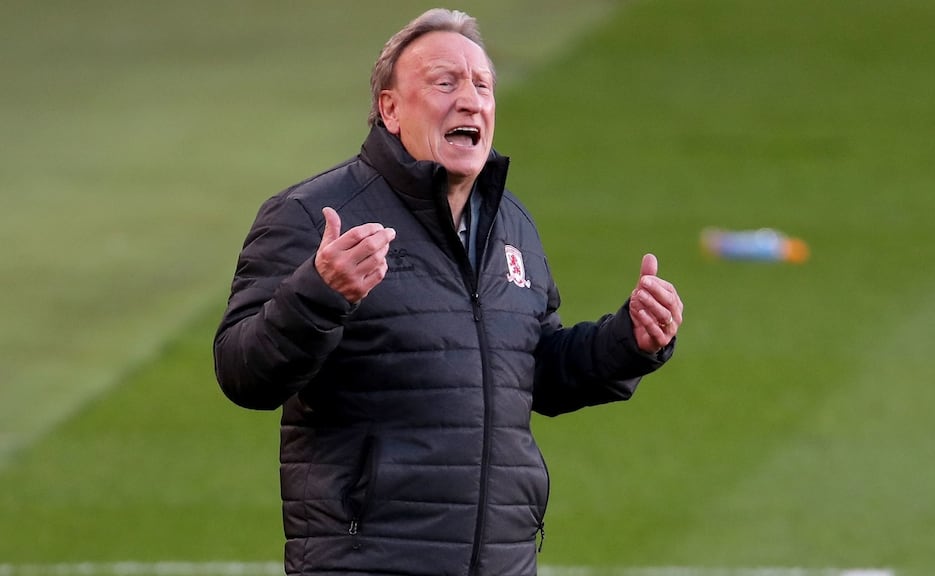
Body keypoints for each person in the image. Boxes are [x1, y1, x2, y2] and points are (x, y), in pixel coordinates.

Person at [213, 8, 683, 576]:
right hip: (369, 561)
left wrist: (628, 341)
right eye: (445, 83)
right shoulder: (313, 215)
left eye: (482, 85)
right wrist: (319, 292)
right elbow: (242, 373)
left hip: (501, 562)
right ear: (390, 109)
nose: (470, 100)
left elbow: (533, 372)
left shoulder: (511, 226)